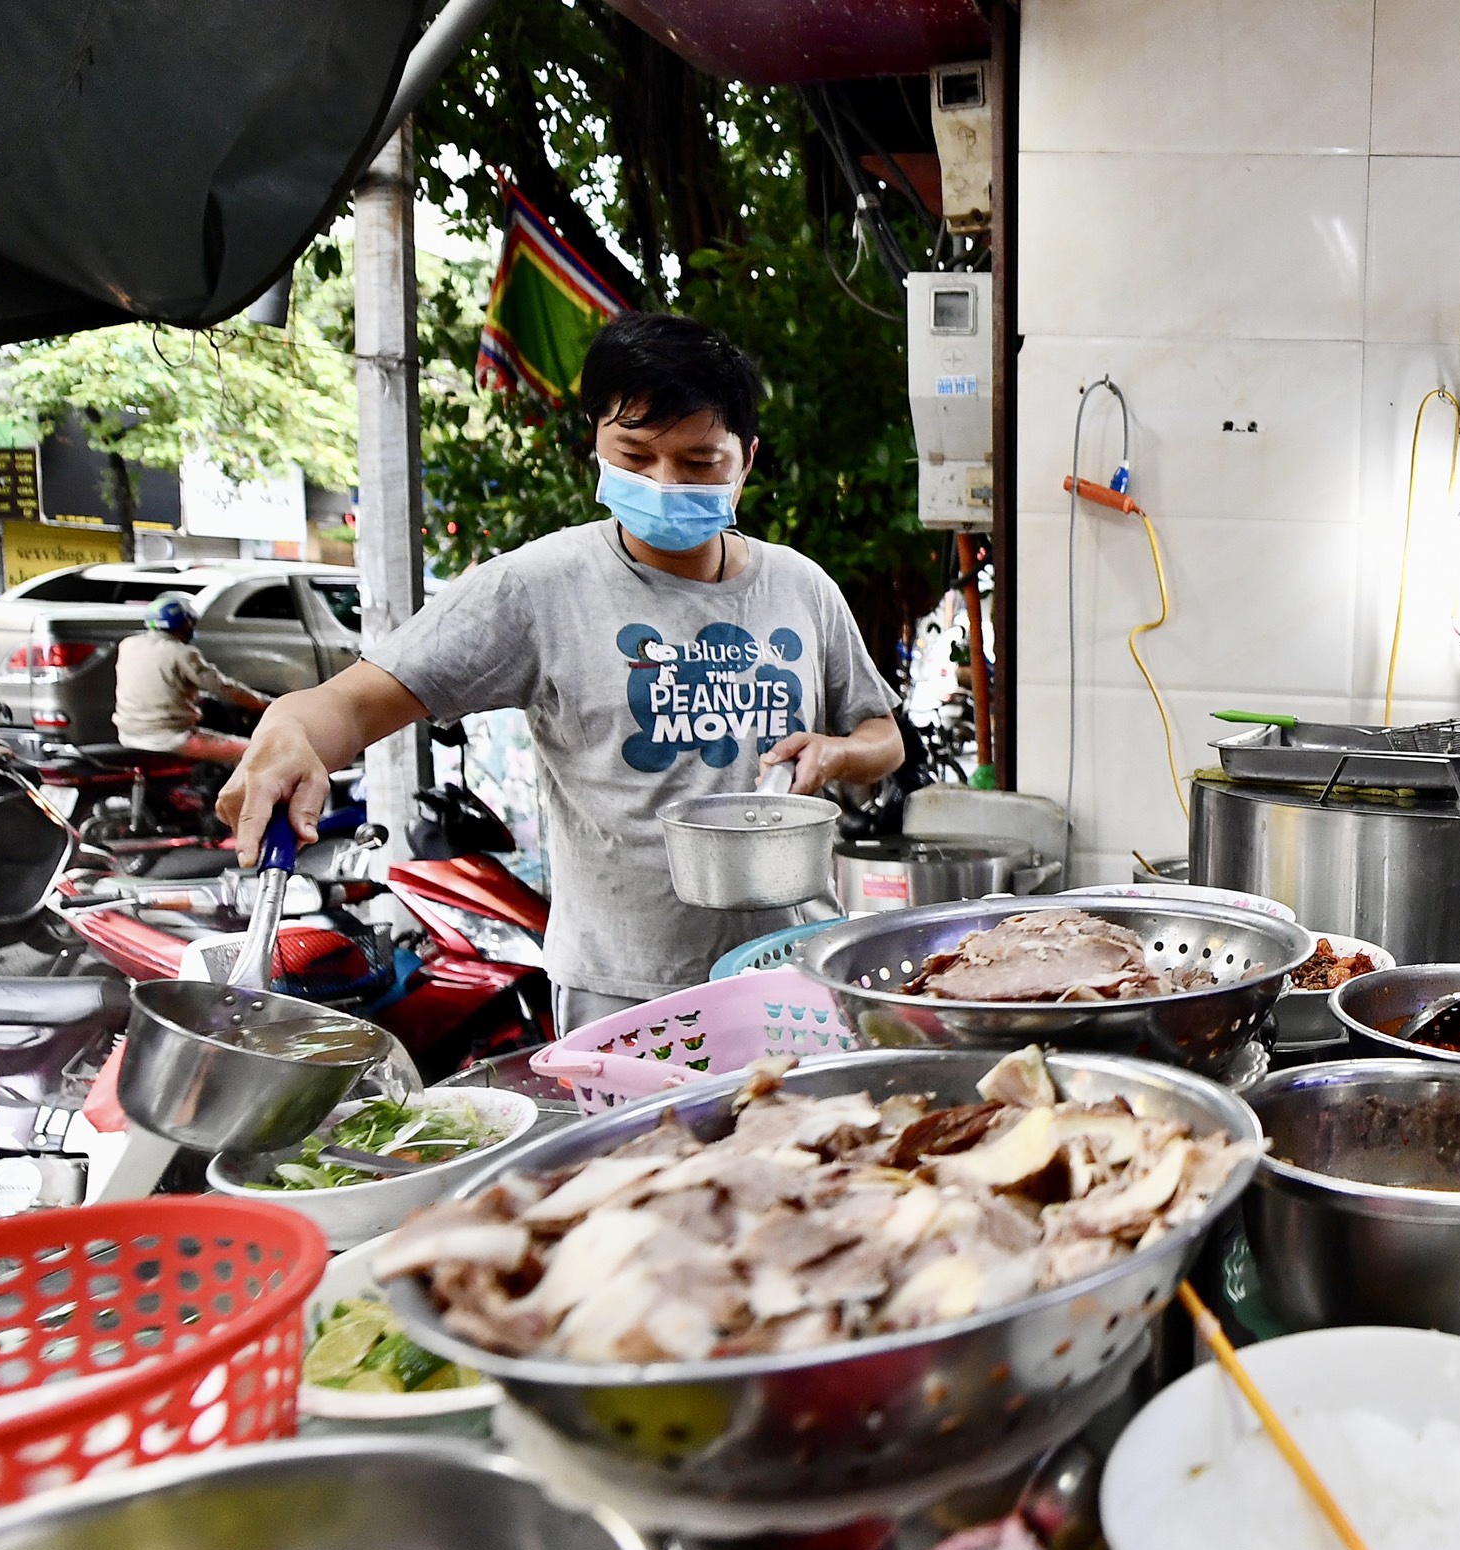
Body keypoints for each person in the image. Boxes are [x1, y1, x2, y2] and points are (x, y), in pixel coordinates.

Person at [221, 312, 904, 1030]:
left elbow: (881, 734)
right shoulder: (536, 587)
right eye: (636, 456)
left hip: (794, 967)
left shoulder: (801, 586)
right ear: (598, 446)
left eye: (700, 463)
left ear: (747, 460)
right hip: (628, 989)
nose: (666, 483)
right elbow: (353, 706)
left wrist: (839, 752)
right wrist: (291, 726)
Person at [112, 596, 272, 761]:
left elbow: (160, 685)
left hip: (128, 735)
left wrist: (199, 698)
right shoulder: (182, 653)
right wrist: (262, 702)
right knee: (255, 754)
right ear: (184, 624)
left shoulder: (128, 645)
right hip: (170, 738)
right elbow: (223, 688)